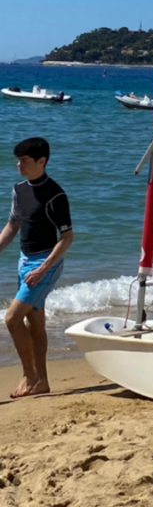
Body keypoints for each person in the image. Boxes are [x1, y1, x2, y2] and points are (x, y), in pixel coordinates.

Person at [0, 137, 73, 397]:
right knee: (35, 324)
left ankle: (29, 376)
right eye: (18, 160)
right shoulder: (19, 189)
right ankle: (41, 382)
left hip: (45, 264)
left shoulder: (55, 195)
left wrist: (43, 269)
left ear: (41, 161)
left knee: (12, 318)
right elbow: (13, 225)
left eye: (24, 161)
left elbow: (67, 238)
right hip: (24, 260)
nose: (18, 165)